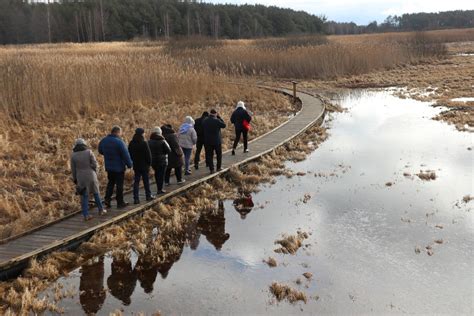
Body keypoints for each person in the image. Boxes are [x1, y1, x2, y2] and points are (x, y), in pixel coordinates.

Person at [71, 138, 107, 221]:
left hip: (81, 177)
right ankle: (101, 210)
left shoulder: (73, 155)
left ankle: (86, 215)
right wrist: (95, 172)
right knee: (96, 193)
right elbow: (95, 164)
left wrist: (75, 179)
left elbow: (73, 169)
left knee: (84, 196)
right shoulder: (89, 152)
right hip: (91, 175)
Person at [98, 126, 133, 209]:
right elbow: (125, 154)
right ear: (117, 132)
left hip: (109, 167)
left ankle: (107, 199)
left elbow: (100, 150)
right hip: (119, 167)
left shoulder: (104, 140)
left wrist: (107, 154)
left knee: (111, 183)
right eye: (120, 132)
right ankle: (120, 202)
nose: (121, 134)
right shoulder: (119, 142)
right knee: (119, 185)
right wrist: (130, 164)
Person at [128, 128, 154, 205]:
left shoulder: (131, 143)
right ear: (142, 134)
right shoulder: (144, 143)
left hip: (136, 165)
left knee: (136, 182)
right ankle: (148, 196)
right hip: (144, 165)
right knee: (146, 181)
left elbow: (129, 154)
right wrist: (149, 164)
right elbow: (148, 155)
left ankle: (136, 199)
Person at [202, 109, 226, 173]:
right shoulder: (217, 121)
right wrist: (219, 117)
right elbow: (224, 125)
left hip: (208, 141)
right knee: (218, 155)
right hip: (216, 141)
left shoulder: (205, 121)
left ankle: (211, 169)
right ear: (215, 114)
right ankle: (218, 167)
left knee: (209, 155)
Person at [148, 126, 171, 194]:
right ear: (160, 133)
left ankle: (159, 188)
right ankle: (160, 189)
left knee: (157, 174)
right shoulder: (163, 141)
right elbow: (169, 150)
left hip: (153, 161)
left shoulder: (149, 141)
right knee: (161, 175)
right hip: (162, 161)